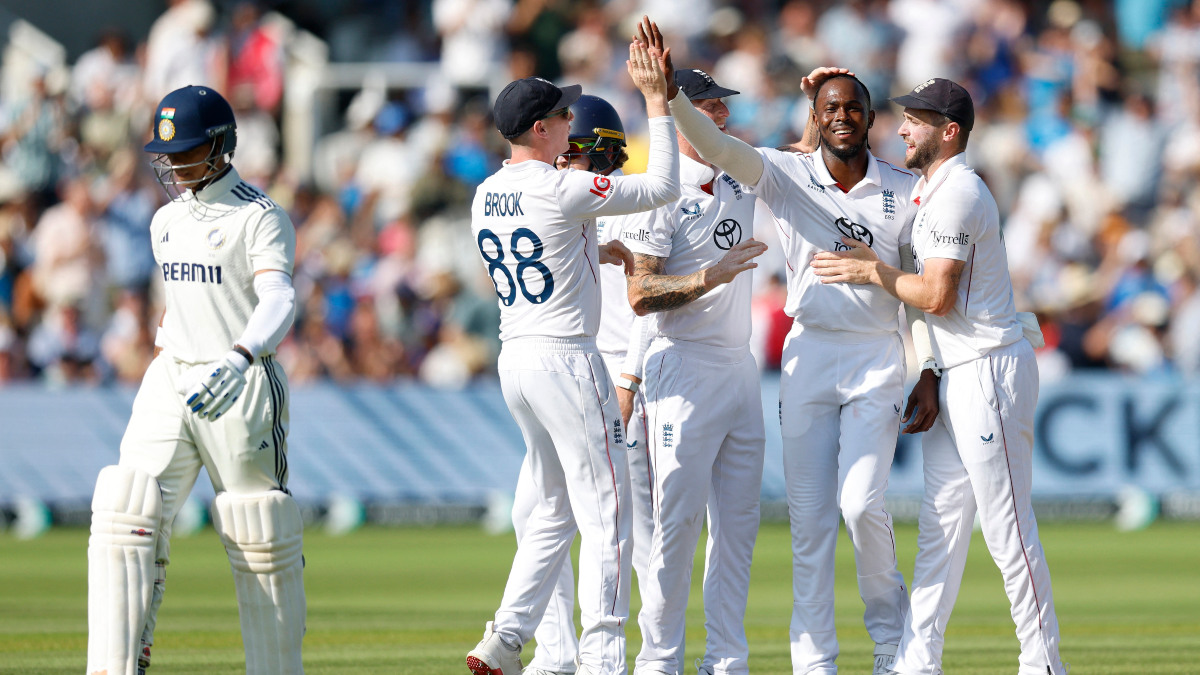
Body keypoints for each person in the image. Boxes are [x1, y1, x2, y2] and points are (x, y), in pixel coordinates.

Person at [637, 19, 939, 675]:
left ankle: (891, 639)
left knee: (862, 505)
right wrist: (669, 95)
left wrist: (930, 366)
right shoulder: (783, 173)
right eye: (831, 108)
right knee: (809, 524)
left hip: (877, 357)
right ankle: (815, 660)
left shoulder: (901, 188)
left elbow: (921, 288)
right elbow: (714, 144)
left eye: (854, 107)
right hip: (809, 357)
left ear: (868, 116)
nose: (843, 117)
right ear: (817, 116)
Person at [810, 77, 1067, 675]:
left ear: (948, 132)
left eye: (915, 120)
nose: (901, 128)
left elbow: (938, 295)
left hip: (989, 371)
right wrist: (928, 368)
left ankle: (1044, 664)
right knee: (940, 528)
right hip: (957, 371)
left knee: (1007, 531)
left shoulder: (959, 193)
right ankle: (916, 663)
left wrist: (869, 270)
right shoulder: (931, 191)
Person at [464, 36, 681, 675]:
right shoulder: (561, 189)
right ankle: (602, 657)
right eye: (562, 117)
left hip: (516, 359)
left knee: (553, 505)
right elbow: (663, 184)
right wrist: (654, 102)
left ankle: (506, 635)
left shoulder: (484, 193)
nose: (571, 125)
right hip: (568, 358)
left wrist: (599, 249)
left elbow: (550, 244)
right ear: (541, 128)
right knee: (607, 512)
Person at [86, 84, 303, 675]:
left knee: (259, 528)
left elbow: (280, 296)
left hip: (241, 380)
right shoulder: (164, 221)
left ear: (222, 146)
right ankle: (116, 666)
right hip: (171, 373)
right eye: (166, 153)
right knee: (124, 509)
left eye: (185, 151)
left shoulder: (260, 216)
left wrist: (239, 356)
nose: (173, 164)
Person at [620, 62, 769, 675]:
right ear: (679, 114)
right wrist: (710, 276)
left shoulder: (742, 173)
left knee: (737, 530)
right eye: (708, 105)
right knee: (674, 528)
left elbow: (812, 157)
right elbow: (639, 293)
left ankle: (727, 659)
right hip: (679, 367)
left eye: (721, 104)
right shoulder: (661, 190)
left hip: (739, 368)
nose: (722, 115)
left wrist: (816, 93)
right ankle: (659, 661)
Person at [510, 93, 657, 675]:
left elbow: (650, 308)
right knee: (534, 513)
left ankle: (652, 656)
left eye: (574, 152)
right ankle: (554, 654)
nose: (562, 162)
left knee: (634, 533)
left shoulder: (628, 203)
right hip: (569, 372)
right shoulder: (556, 199)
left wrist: (629, 377)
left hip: (618, 375)